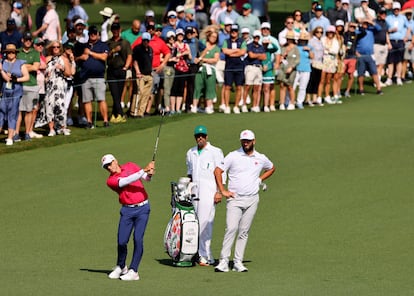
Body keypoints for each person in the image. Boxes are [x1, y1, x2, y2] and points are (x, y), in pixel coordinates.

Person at [214, 129, 275, 272]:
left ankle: (237, 262)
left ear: (254, 141)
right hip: (235, 199)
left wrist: (260, 179)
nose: (245, 143)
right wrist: (222, 190)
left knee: (243, 231)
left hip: (252, 199)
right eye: (243, 141)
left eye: (248, 141)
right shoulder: (233, 156)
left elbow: (271, 168)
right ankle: (223, 261)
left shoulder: (260, 158)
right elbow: (217, 171)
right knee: (231, 228)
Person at [103, 154, 155, 281]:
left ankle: (134, 271)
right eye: (106, 167)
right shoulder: (111, 181)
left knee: (138, 239)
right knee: (121, 241)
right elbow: (126, 181)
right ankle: (121, 266)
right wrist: (144, 169)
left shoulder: (131, 165)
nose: (109, 168)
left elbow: (146, 179)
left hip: (143, 209)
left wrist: (149, 173)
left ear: (116, 160)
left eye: (110, 164)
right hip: (127, 211)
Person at [186, 125, 224, 266]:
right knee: (196, 223)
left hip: (209, 192)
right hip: (194, 193)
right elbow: (189, 173)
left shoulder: (215, 151)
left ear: (206, 137)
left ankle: (204, 254)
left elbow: (220, 173)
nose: (199, 138)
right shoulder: (190, 152)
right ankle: (202, 254)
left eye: (202, 135)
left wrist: (219, 192)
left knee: (206, 223)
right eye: (197, 136)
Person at [35, 41, 72, 136]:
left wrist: (62, 68)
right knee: (49, 106)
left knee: (60, 106)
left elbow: (69, 73)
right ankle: (51, 129)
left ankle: (62, 127)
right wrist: (46, 75)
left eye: (58, 47)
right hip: (49, 86)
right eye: (54, 47)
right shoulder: (47, 59)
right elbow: (41, 70)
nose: (56, 48)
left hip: (60, 86)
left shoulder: (64, 59)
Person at [77, 25, 110, 128]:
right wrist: (81, 57)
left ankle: (105, 121)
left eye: (95, 33)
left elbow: (104, 57)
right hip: (85, 77)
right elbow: (76, 58)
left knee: (101, 99)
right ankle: (89, 122)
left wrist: (90, 53)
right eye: (91, 33)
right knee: (87, 101)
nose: (93, 34)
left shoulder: (103, 45)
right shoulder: (83, 46)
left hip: (98, 77)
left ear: (98, 35)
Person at [0, 43, 30, 146]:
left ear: (15, 53)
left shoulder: (20, 63)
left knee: (12, 114)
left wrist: (16, 79)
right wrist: (1, 71)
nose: (11, 54)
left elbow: (27, 77)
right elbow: (5, 78)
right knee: (1, 112)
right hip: (5, 92)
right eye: (9, 52)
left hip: (16, 92)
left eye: (12, 52)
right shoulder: (2, 62)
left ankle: (10, 137)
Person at [14, 32, 41, 142]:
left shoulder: (35, 53)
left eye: (30, 39)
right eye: (26, 39)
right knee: (19, 111)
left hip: (32, 84)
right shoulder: (18, 52)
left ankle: (27, 133)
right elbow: (15, 66)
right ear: (22, 40)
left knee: (29, 110)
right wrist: (27, 66)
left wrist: (22, 67)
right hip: (19, 85)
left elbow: (35, 67)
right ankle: (15, 133)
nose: (28, 41)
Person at [107, 22, 132, 124]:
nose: (116, 31)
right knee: (114, 93)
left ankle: (114, 114)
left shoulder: (125, 43)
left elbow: (129, 55)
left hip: (121, 70)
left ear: (120, 30)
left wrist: (126, 67)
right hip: (111, 70)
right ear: (112, 30)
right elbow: (105, 56)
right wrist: (113, 50)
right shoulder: (108, 43)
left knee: (118, 93)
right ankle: (121, 114)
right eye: (114, 30)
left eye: (117, 29)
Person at [192, 29, 220, 114]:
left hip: (210, 70)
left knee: (210, 88)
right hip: (200, 69)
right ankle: (195, 106)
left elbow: (215, 60)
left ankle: (208, 107)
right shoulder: (202, 43)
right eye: (212, 36)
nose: (213, 38)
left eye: (215, 37)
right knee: (197, 87)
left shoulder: (216, 48)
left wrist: (203, 59)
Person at [222, 24, 247, 114]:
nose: (234, 32)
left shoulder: (242, 41)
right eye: (232, 31)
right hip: (229, 66)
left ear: (238, 32)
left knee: (239, 86)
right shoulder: (226, 41)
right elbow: (225, 51)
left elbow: (243, 52)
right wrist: (236, 50)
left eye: (235, 31)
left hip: (239, 66)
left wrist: (232, 52)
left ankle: (236, 106)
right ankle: (227, 106)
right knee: (227, 86)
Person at [132, 32, 154, 118]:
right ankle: (135, 112)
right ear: (142, 40)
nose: (146, 42)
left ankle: (141, 113)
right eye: (144, 40)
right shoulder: (137, 49)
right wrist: (137, 72)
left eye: (147, 41)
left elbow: (150, 61)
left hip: (149, 75)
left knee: (146, 95)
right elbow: (135, 61)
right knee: (139, 93)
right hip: (140, 75)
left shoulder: (150, 49)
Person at [277, 31, 300, 110]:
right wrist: (282, 56)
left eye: (290, 38)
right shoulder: (283, 47)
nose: (289, 40)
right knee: (282, 86)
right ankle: (282, 103)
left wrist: (292, 67)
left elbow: (297, 60)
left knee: (290, 86)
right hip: (283, 68)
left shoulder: (295, 48)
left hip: (291, 70)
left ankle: (292, 103)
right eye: (288, 38)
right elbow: (280, 57)